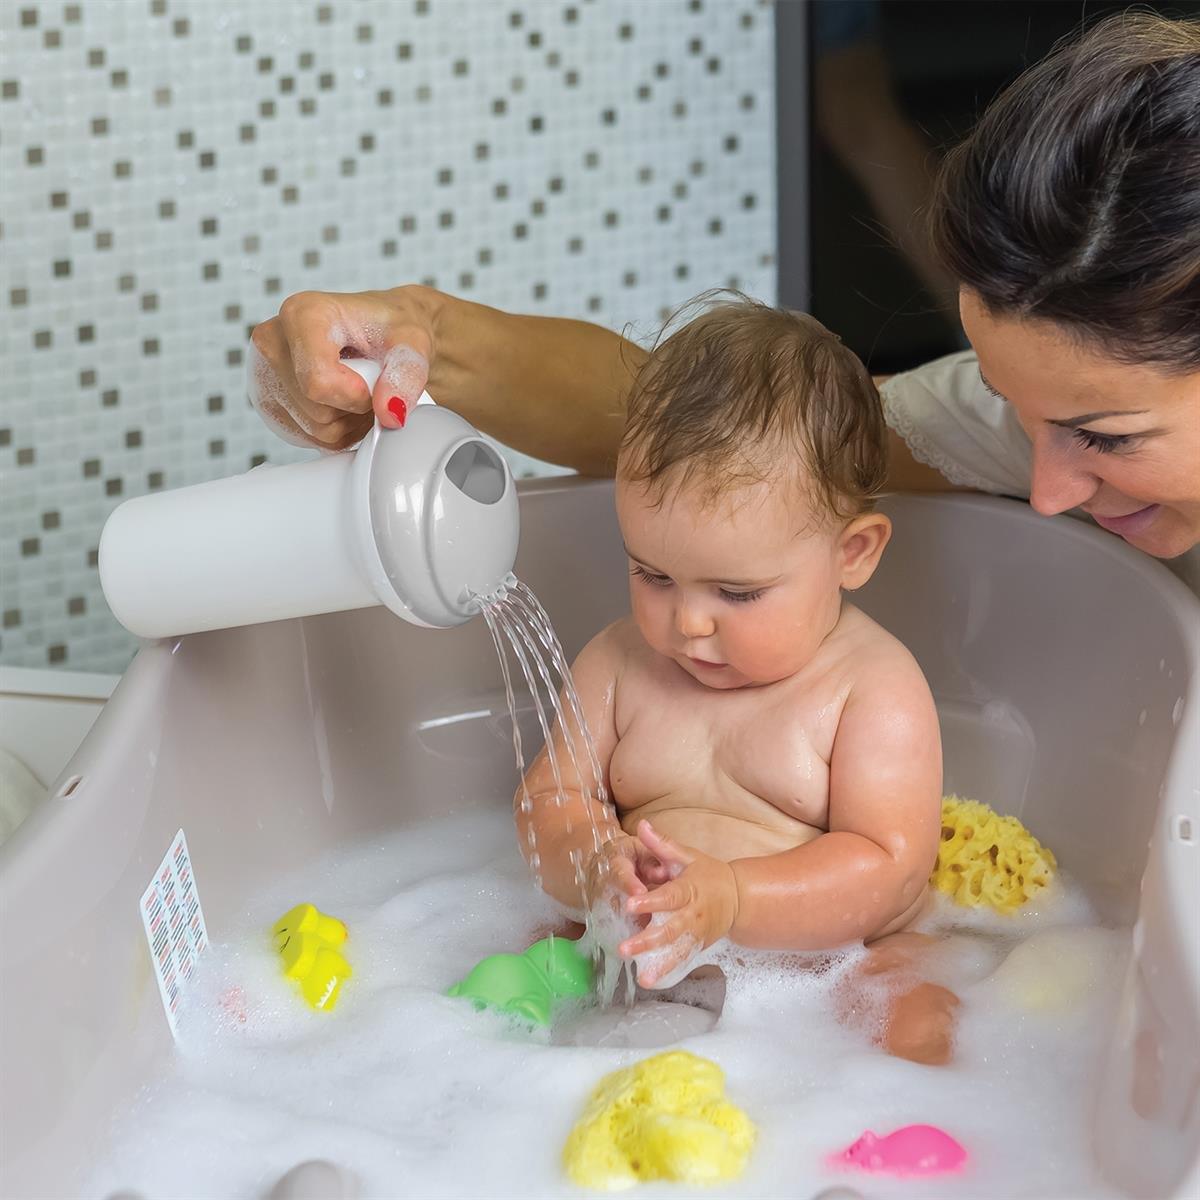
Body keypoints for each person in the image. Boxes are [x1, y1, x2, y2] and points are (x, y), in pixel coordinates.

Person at [248, 12, 1200, 596]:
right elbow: (730, 434)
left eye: (1105, 438)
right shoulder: (1056, 426)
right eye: (1012, 408)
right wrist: (426, 338)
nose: (1046, 493)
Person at [512, 295, 950, 1060]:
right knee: (516, 979)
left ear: (853, 554)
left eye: (737, 593)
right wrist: (593, 862)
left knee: (907, 1008)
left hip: (826, 963)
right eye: (652, 574)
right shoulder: (616, 664)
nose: (688, 624)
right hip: (634, 950)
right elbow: (547, 799)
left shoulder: (871, 688)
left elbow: (889, 871)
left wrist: (734, 899)